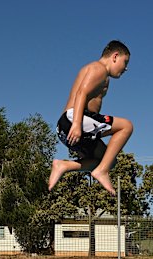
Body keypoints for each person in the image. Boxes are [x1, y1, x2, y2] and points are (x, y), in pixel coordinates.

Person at [48, 40, 133, 196]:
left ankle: (63, 166)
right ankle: (102, 171)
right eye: (124, 62)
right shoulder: (99, 69)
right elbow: (82, 93)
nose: (125, 68)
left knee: (108, 160)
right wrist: (76, 124)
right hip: (74, 120)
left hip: (66, 127)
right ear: (115, 56)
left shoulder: (99, 73)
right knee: (126, 126)